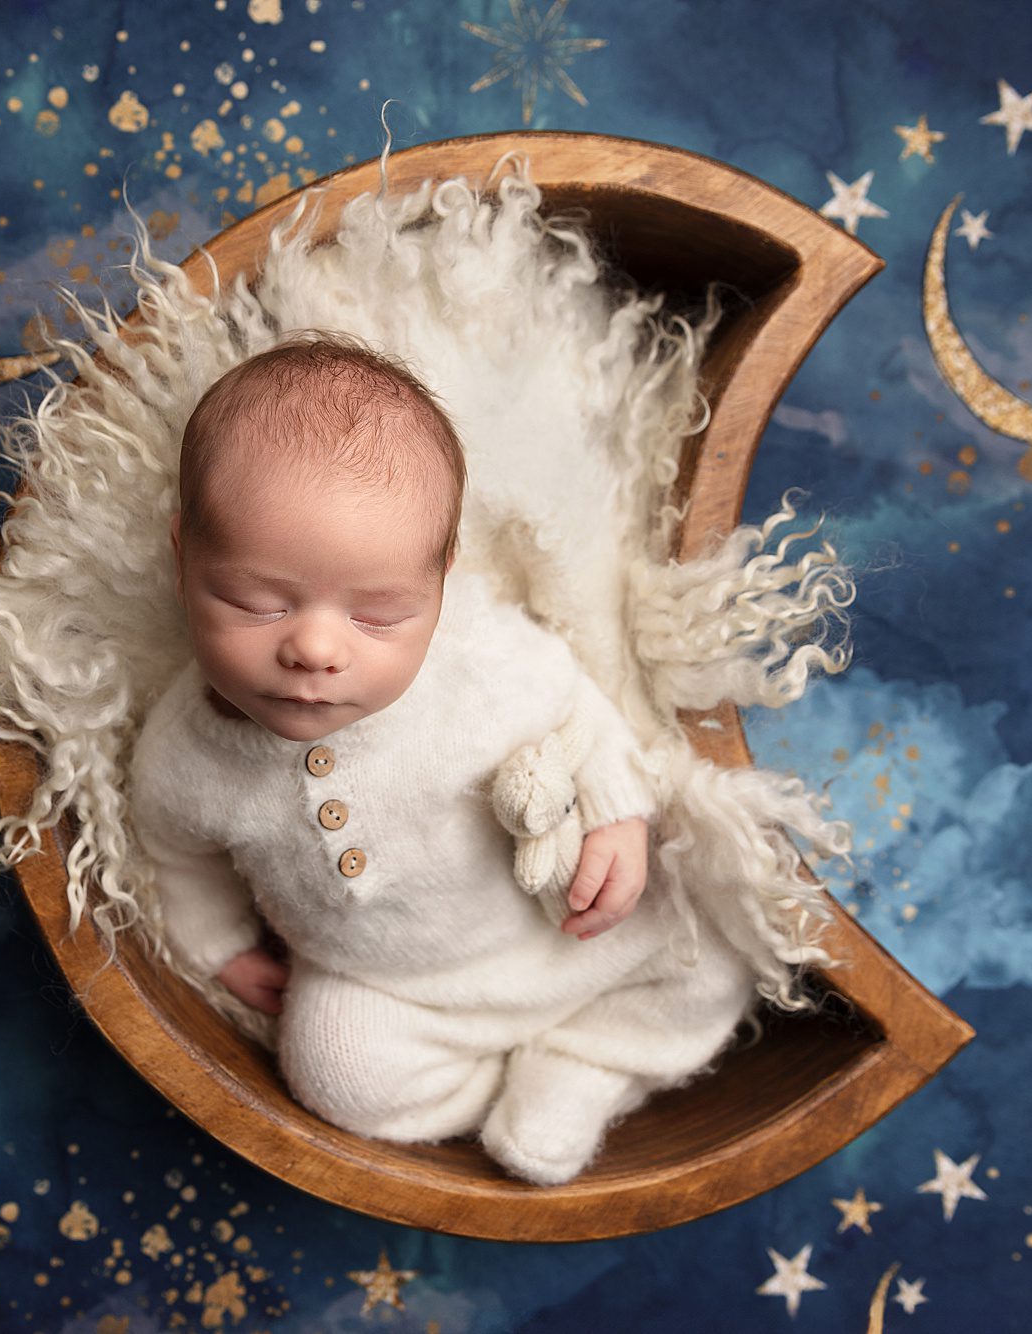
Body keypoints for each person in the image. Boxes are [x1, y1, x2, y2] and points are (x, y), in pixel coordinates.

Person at [125, 331, 755, 1185]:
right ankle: (496, 1088)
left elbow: (574, 706)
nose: (315, 648)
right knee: (335, 1067)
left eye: (378, 615)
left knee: (710, 947)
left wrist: (617, 815)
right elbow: (174, 853)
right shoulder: (180, 755)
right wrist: (219, 948)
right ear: (182, 558)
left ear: (441, 584)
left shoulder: (477, 659)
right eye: (255, 602)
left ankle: (587, 1067)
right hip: (398, 993)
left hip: (563, 927)